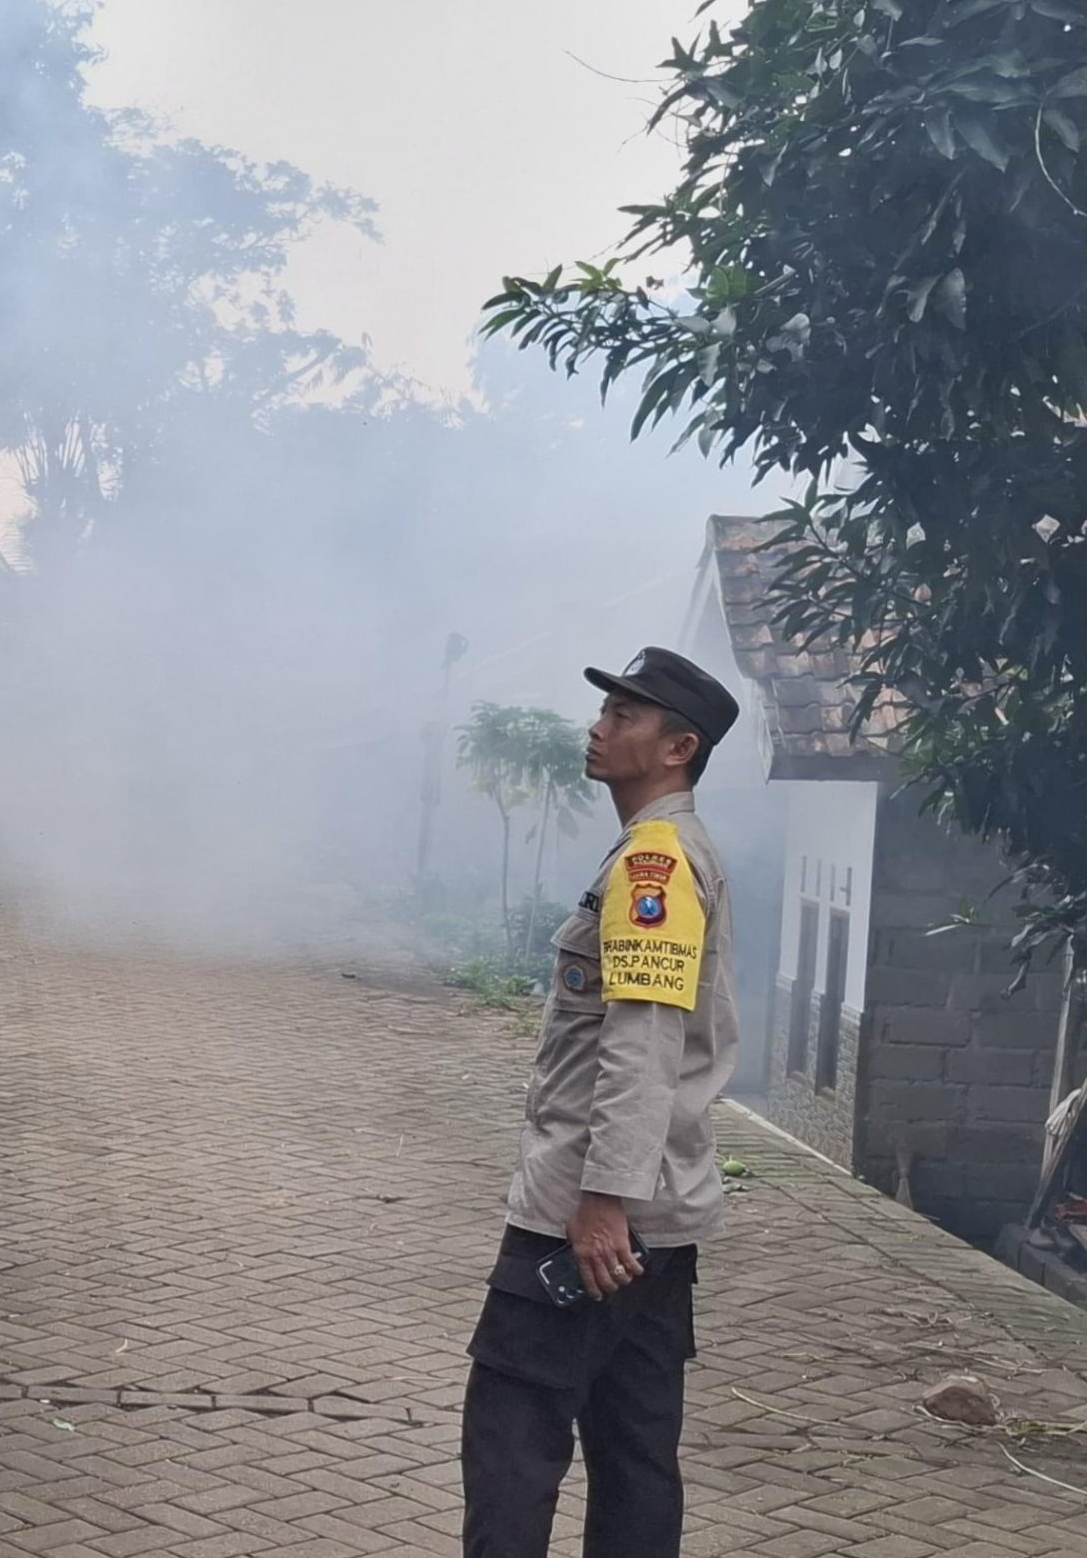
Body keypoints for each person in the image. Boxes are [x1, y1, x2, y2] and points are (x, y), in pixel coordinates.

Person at [461, 645, 742, 1558]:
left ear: (678, 747)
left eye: (625, 715)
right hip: (659, 1219)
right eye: (606, 710)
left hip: (589, 1217)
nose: (599, 726)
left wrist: (600, 1199)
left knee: (512, 1440)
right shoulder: (669, 850)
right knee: (634, 1452)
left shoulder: (654, 861)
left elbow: (642, 1043)